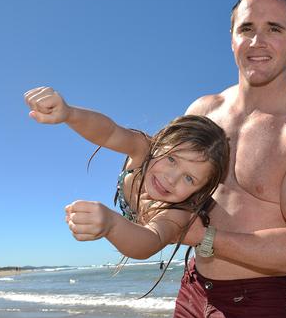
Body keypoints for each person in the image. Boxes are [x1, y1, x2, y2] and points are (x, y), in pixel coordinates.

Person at [170, 0, 286, 318]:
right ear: (232, 38)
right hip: (191, 288)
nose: (257, 41)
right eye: (246, 28)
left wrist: (203, 236)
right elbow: (165, 185)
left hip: (256, 300)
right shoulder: (203, 112)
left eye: (274, 29)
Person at [24, 87, 230, 293]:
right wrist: (69, 113)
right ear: (160, 144)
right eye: (171, 159)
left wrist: (112, 225)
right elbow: (110, 132)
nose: (171, 178)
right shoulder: (143, 149)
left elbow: (149, 242)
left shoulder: (178, 212)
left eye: (189, 178)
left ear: (200, 191)